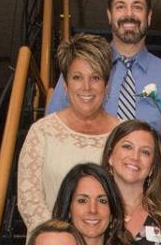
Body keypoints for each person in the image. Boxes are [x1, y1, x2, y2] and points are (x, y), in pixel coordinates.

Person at [17, 34, 119, 229]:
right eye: (77, 77)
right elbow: (29, 200)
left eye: (95, 77)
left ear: (107, 85)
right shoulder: (42, 132)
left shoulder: (124, 134)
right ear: (65, 84)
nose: (86, 87)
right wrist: (63, 242)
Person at [45, 0, 161, 129]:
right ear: (109, 15)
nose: (129, 14)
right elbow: (52, 127)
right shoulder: (79, 68)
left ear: (149, 16)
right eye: (120, 7)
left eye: (137, 7)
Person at [103, 119, 161, 245]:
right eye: (127, 146)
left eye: (145, 152)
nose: (135, 157)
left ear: (152, 167)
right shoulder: (91, 212)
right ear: (110, 156)